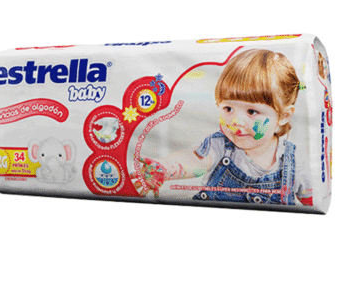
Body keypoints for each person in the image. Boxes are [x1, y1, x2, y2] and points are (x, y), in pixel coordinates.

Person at [131, 48, 313, 205]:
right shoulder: (219, 145)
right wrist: (165, 168)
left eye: (251, 111)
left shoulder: (295, 163)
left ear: (283, 116)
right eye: (228, 109)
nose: (236, 122)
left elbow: (311, 202)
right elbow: (194, 161)